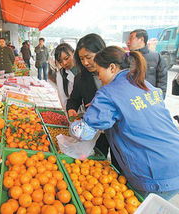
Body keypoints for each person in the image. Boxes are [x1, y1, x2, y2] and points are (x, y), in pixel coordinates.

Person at [76, 46, 179, 200]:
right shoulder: (145, 85)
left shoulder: (109, 92)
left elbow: (83, 133)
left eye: (98, 73)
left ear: (112, 67)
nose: (99, 78)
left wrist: (75, 122)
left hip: (153, 172)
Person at [66, 34, 113, 164]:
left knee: (119, 165)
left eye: (89, 57)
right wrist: (71, 109)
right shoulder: (80, 78)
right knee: (98, 163)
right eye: (81, 59)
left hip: (117, 132)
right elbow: (74, 99)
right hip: (96, 132)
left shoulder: (116, 75)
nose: (85, 62)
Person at [127, 29, 168, 97]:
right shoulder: (126, 58)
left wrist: (160, 97)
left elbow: (162, 81)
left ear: (141, 39)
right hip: (132, 99)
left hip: (150, 99)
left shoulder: (157, 57)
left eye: (131, 38)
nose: (128, 42)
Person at [54, 43, 79, 110]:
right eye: (60, 61)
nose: (64, 63)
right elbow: (63, 99)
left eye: (66, 58)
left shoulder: (83, 68)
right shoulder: (61, 75)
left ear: (73, 53)